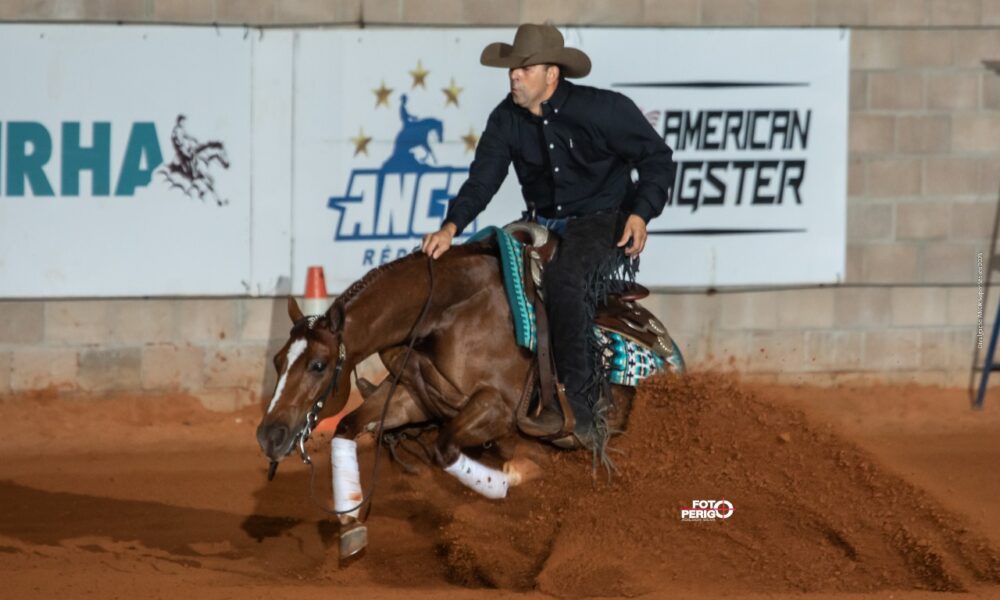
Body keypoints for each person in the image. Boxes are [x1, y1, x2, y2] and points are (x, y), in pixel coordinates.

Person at [421, 23, 676, 450]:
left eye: (524, 68)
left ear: (551, 74)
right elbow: (481, 183)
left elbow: (657, 158)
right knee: (487, 274)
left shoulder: (602, 110)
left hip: (604, 220)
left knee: (565, 280)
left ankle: (581, 407)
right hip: (542, 222)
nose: (513, 76)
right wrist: (451, 227)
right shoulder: (505, 119)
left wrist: (640, 213)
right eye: (512, 69)